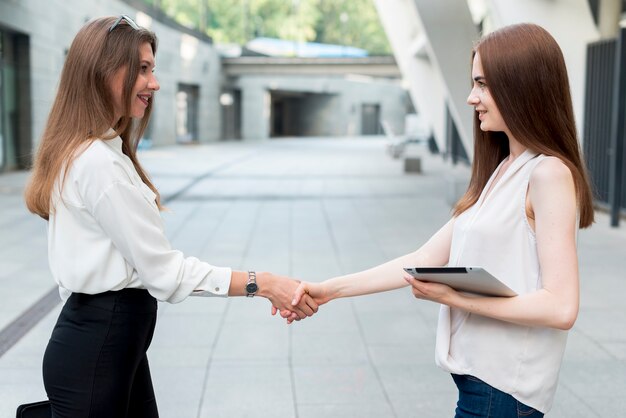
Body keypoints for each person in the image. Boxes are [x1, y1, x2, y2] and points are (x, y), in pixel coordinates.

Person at [287, 23, 594, 417]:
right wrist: (329, 290)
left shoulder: (548, 173)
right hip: (480, 385)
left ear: (520, 85)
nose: (471, 98)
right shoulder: (504, 170)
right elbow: (420, 258)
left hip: (502, 391)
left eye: (483, 84)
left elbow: (561, 307)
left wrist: (455, 297)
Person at [23, 15, 317, 418]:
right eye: (142, 69)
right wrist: (261, 283)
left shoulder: (102, 152)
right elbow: (164, 273)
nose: (154, 83)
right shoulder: (96, 163)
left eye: (153, 69)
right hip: (98, 351)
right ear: (103, 72)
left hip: (111, 347)